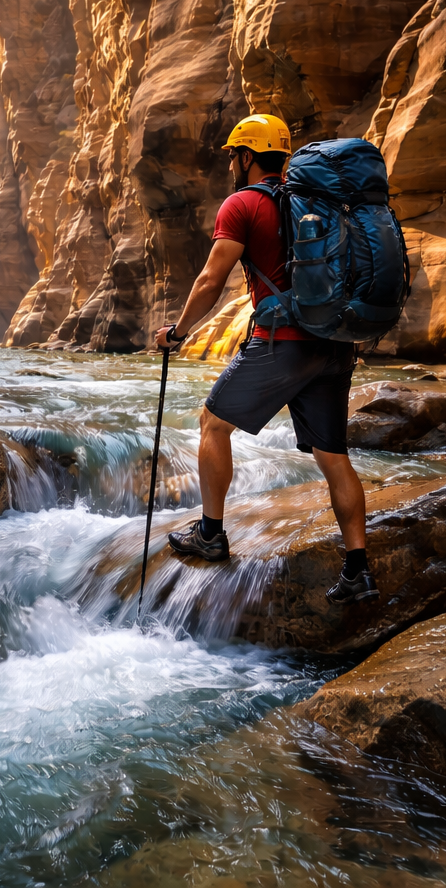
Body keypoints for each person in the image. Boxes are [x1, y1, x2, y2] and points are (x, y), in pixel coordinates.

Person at [153, 114, 376, 604]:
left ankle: (211, 533)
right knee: (334, 457)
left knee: (213, 423)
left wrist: (178, 333)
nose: (232, 163)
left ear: (247, 155)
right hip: (336, 344)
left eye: (234, 155)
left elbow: (211, 279)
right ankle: (357, 570)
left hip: (284, 341)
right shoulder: (315, 200)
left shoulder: (243, 204)